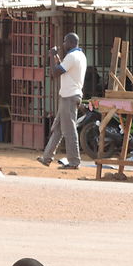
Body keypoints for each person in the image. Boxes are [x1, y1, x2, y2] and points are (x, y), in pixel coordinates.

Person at [37, 33, 87, 170]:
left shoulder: (72, 57)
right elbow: (64, 69)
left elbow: (54, 73)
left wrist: (51, 56)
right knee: (57, 128)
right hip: (70, 96)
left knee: (69, 130)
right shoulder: (80, 55)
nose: (63, 44)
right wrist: (56, 58)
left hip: (69, 97)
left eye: (65, 42)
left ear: (70, 42)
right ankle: (47, 157)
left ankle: (74, 161)